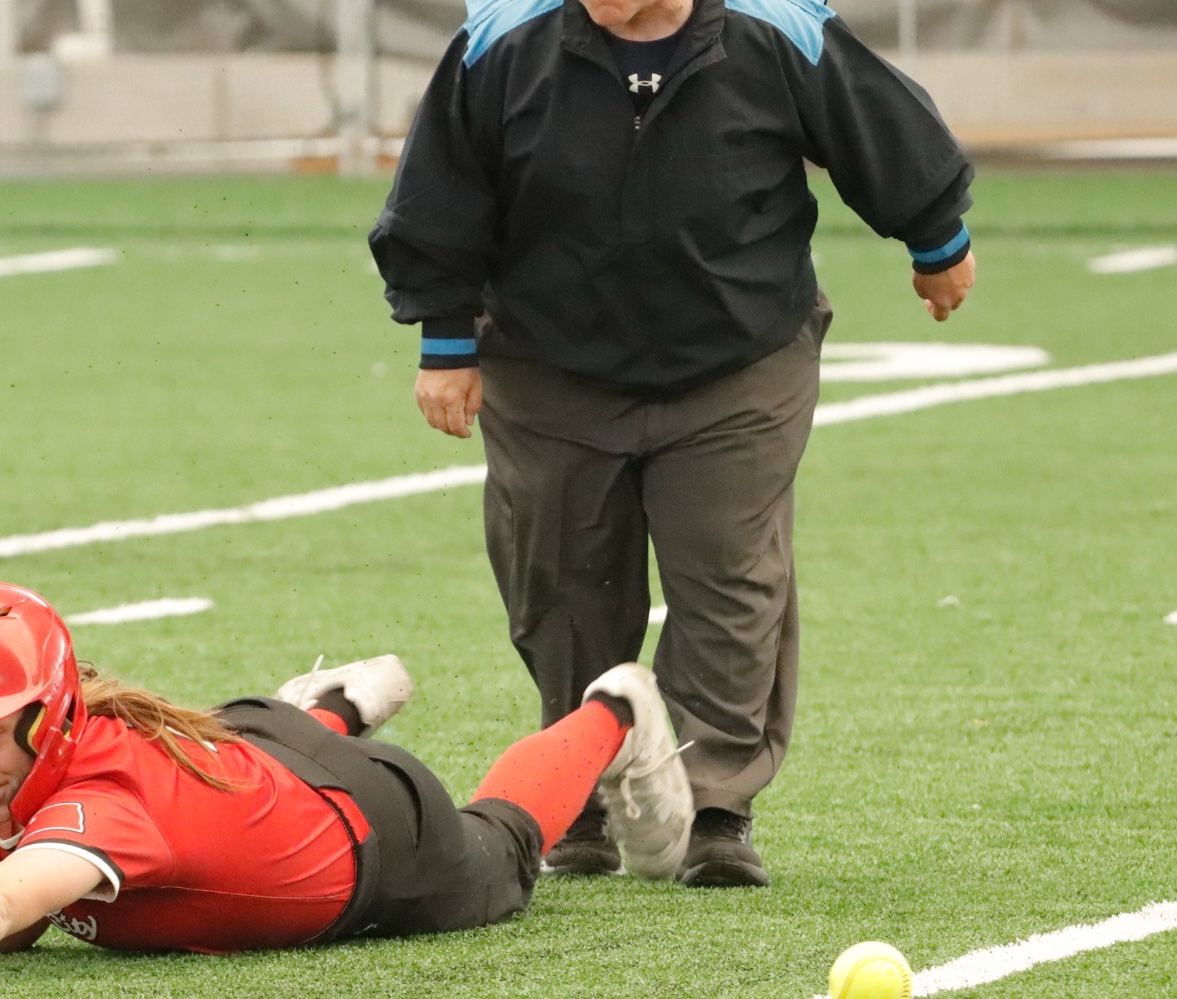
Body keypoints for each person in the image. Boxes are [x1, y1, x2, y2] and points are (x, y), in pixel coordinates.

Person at [368, 0, 978, 886]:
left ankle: (712, 806)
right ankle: (576, 794)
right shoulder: (505, 39)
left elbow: (877, 123)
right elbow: (443, 182)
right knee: (563, 580)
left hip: (739, 356)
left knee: (730, 574)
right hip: (549, 361)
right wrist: (445, 338)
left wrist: (937, 236)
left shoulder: (775, 29)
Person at [0, 581, 693, 995]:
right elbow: (17, 917)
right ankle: (325, 709)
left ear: (48, 715)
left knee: (505, 842)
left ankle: (616, 705)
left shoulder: (97, 800)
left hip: (375, 835)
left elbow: (10, 891)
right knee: (231, 745)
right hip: (249, 750)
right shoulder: (52, 756)